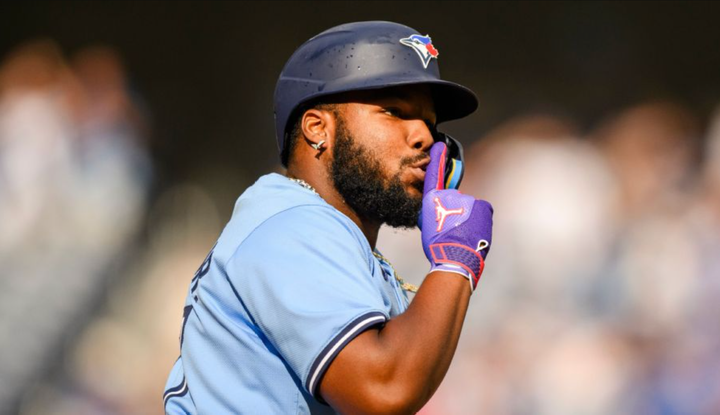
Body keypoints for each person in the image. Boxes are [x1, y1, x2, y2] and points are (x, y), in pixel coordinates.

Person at [163, 21, 494, 414]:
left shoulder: (335, 240)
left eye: (429, 122)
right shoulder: (291, 226)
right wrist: (455, 264)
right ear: (318, 128)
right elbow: (384, 389)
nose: (425, 136)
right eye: (394, 111)